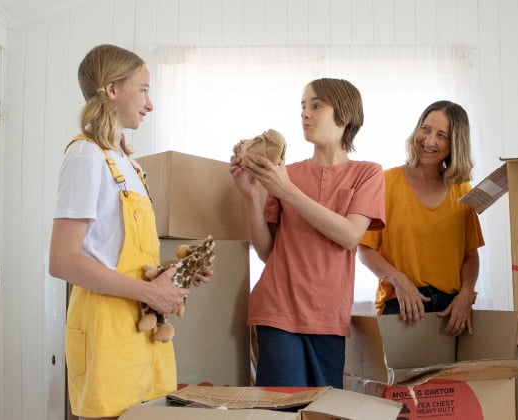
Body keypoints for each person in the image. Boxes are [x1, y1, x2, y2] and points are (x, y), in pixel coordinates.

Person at [48, 44, 210, 419]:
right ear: (112, 90)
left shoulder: (129, 166)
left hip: (142, 329)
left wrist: (171, 272)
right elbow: (63, 260)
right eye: (144, 89)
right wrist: (150, 291)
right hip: (106, 327)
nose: (149, 104)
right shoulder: (85, 155)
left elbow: (113, 252)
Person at [230, 78, 386, 388]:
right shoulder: (286, 174)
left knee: (323, 411)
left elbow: (350, 235)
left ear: (345, 114)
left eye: (316, 105)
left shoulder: (367, 173)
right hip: (276, 309)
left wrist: (287, 191)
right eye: (303, 105)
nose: (305, 113)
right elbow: (267, 251)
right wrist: (250, 195)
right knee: (284, 410)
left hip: (328, 316)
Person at [358, 100, 484, 337]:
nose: (429, 141)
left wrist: (467, 293)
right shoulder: (385, 183)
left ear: (455, 144)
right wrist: (398, 280)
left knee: (449, 376)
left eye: (441, 135)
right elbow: (365, 250)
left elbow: (470, 255)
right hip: (402, 304)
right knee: (403, 376)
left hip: (451, 309)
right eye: (425, 129)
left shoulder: (462, 190)